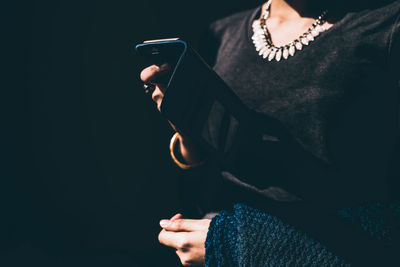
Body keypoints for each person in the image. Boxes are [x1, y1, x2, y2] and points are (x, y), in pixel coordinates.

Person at [140, 0, 400, 265]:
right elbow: (208, 182)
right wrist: (187, 132)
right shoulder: (220, 34)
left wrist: (240, 243)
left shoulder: (387, 26)